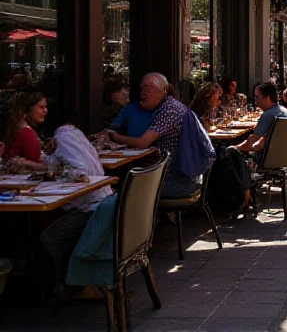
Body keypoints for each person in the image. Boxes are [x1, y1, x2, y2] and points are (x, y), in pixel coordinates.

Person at [40, 113, 113, 282]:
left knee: (50, 238)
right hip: (101, 202)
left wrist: (59, 172)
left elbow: (82, 173)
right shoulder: (75, 134)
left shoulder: (63, 137)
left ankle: (71, 282)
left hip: (92, 208)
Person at [109, 73, 196, 198]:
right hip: (172, 174)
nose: (142, 94)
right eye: (141, 89)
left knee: (120, 190)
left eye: (147, 90)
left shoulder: (169, 109)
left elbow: (143, 142)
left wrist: (115, 137)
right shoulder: (163, 107)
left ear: (162, 91)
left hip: (174, 179)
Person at [2, 91, 47, 170]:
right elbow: (40, 168)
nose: (45, 111)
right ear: (28, 110)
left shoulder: (17, 130)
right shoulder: (26, 134)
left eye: (45, 107)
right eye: (41, 107)